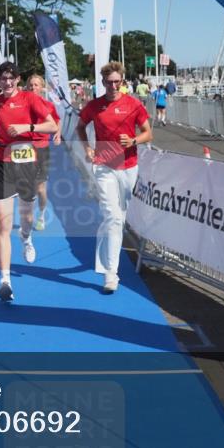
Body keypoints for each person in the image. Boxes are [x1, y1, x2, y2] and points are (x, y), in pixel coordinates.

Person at [0, 62, 57, 302]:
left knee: (25, 218)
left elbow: (52, 125)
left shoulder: (30, 99)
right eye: (2, 78)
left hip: (27, 160)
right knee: (3, 224)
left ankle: (26, 238)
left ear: (17, 79)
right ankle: (5, 280)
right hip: (2, 161)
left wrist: (27, 127)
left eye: (10, 78)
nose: (6, 82)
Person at [76, 61, 153, 294]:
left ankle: (106, 247)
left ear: (123, 81)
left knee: (120, 215)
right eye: (109, 82)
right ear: (103, 82)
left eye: (117, 81)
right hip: (103, 165)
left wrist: (133, 141)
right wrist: (88, 148)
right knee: (113, 217)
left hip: (128, 166)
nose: (113, 85)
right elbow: (80, 127)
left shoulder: (133, 104)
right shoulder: (94, 106)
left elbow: (149, 133)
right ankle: (111, 274)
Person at [25, 74, 62, 231]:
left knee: (40, 189)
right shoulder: (22, 105)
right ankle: (28, 216)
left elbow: (57, 120)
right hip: (24, 148)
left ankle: (41, 215)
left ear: (42, 87)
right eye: (31, 85)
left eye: (36, 85)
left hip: (41, 148)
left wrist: (58, 134)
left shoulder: (48, 105)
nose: (33, 88)